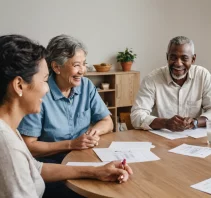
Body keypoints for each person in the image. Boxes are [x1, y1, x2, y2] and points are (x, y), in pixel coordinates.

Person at [0, 34, 133, 198]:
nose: (47, 89)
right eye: (43, 80)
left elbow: (35, 168)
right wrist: (72, 146)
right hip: (53, 159)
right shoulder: (8, 145)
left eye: (84, 64)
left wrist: (95, 171)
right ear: (19, 85)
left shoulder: (11, 132)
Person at [18, 35, 113, 164]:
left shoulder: (87, 86)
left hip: (84, 158)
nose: (82, 71)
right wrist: (71, 144)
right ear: (56, 67)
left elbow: (107, 121)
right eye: (76, 65)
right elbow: (29, 146)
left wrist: (91, 135)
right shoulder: (39, 93)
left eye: (84, 64)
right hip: (51, 166)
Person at [131, 36, 211, 131]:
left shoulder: (203, 75)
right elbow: (136, 116)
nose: (178, 63)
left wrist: (195, 122)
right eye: (173, 57)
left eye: (184, 58)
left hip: (193, 139)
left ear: (193, 59)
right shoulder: (152, 79)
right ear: (167, 57)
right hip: (161, 140)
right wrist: (165, 123)